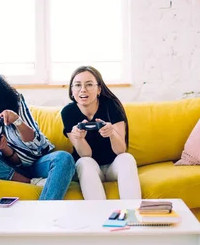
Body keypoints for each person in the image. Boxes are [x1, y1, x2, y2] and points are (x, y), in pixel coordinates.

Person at [0, 69, 75, 200]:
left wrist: (17, 121)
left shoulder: (15, 103)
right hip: (12, 170)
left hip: (39, 162)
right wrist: (5, 149)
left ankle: (43, 213)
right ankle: (30, 182)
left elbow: (36, 144)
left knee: (64, 158)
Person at [60, 66, 141, 200]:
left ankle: (132, 214)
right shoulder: (68, 112)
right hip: (90, 166)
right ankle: (99, 216)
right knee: (84, 162)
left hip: (112, 165)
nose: (83, 89)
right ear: (72, 90)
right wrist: (79, 138)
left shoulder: (111, 106)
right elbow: (86, 154)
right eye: (77, 85)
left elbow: (121, 150)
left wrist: (112, 134)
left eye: (89, 84)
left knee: (127, 158)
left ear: (99, 89)